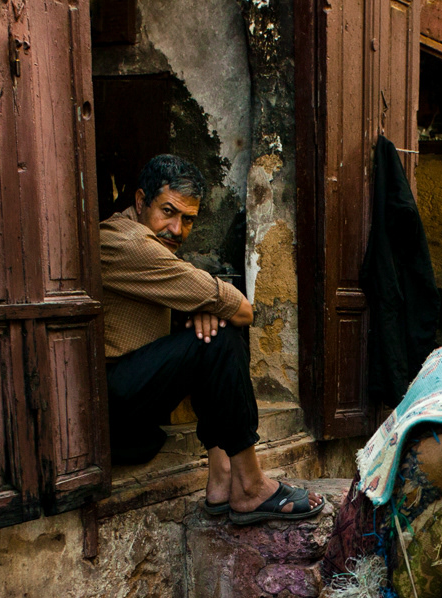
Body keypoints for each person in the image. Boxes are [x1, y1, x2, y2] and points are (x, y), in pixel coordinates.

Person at [99, 154, 323, 522]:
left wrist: (202, 307)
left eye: (187, 219)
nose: (176, 228)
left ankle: (221, 477)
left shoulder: (149, 243)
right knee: (220, 334)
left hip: (136, 397)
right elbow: (244, 309)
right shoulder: (123, 242)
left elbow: (217, 301)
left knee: (214, 329)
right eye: (168, 212)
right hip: (111, 411)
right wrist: (209, 305)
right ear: (140, 202)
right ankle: (250, 485)